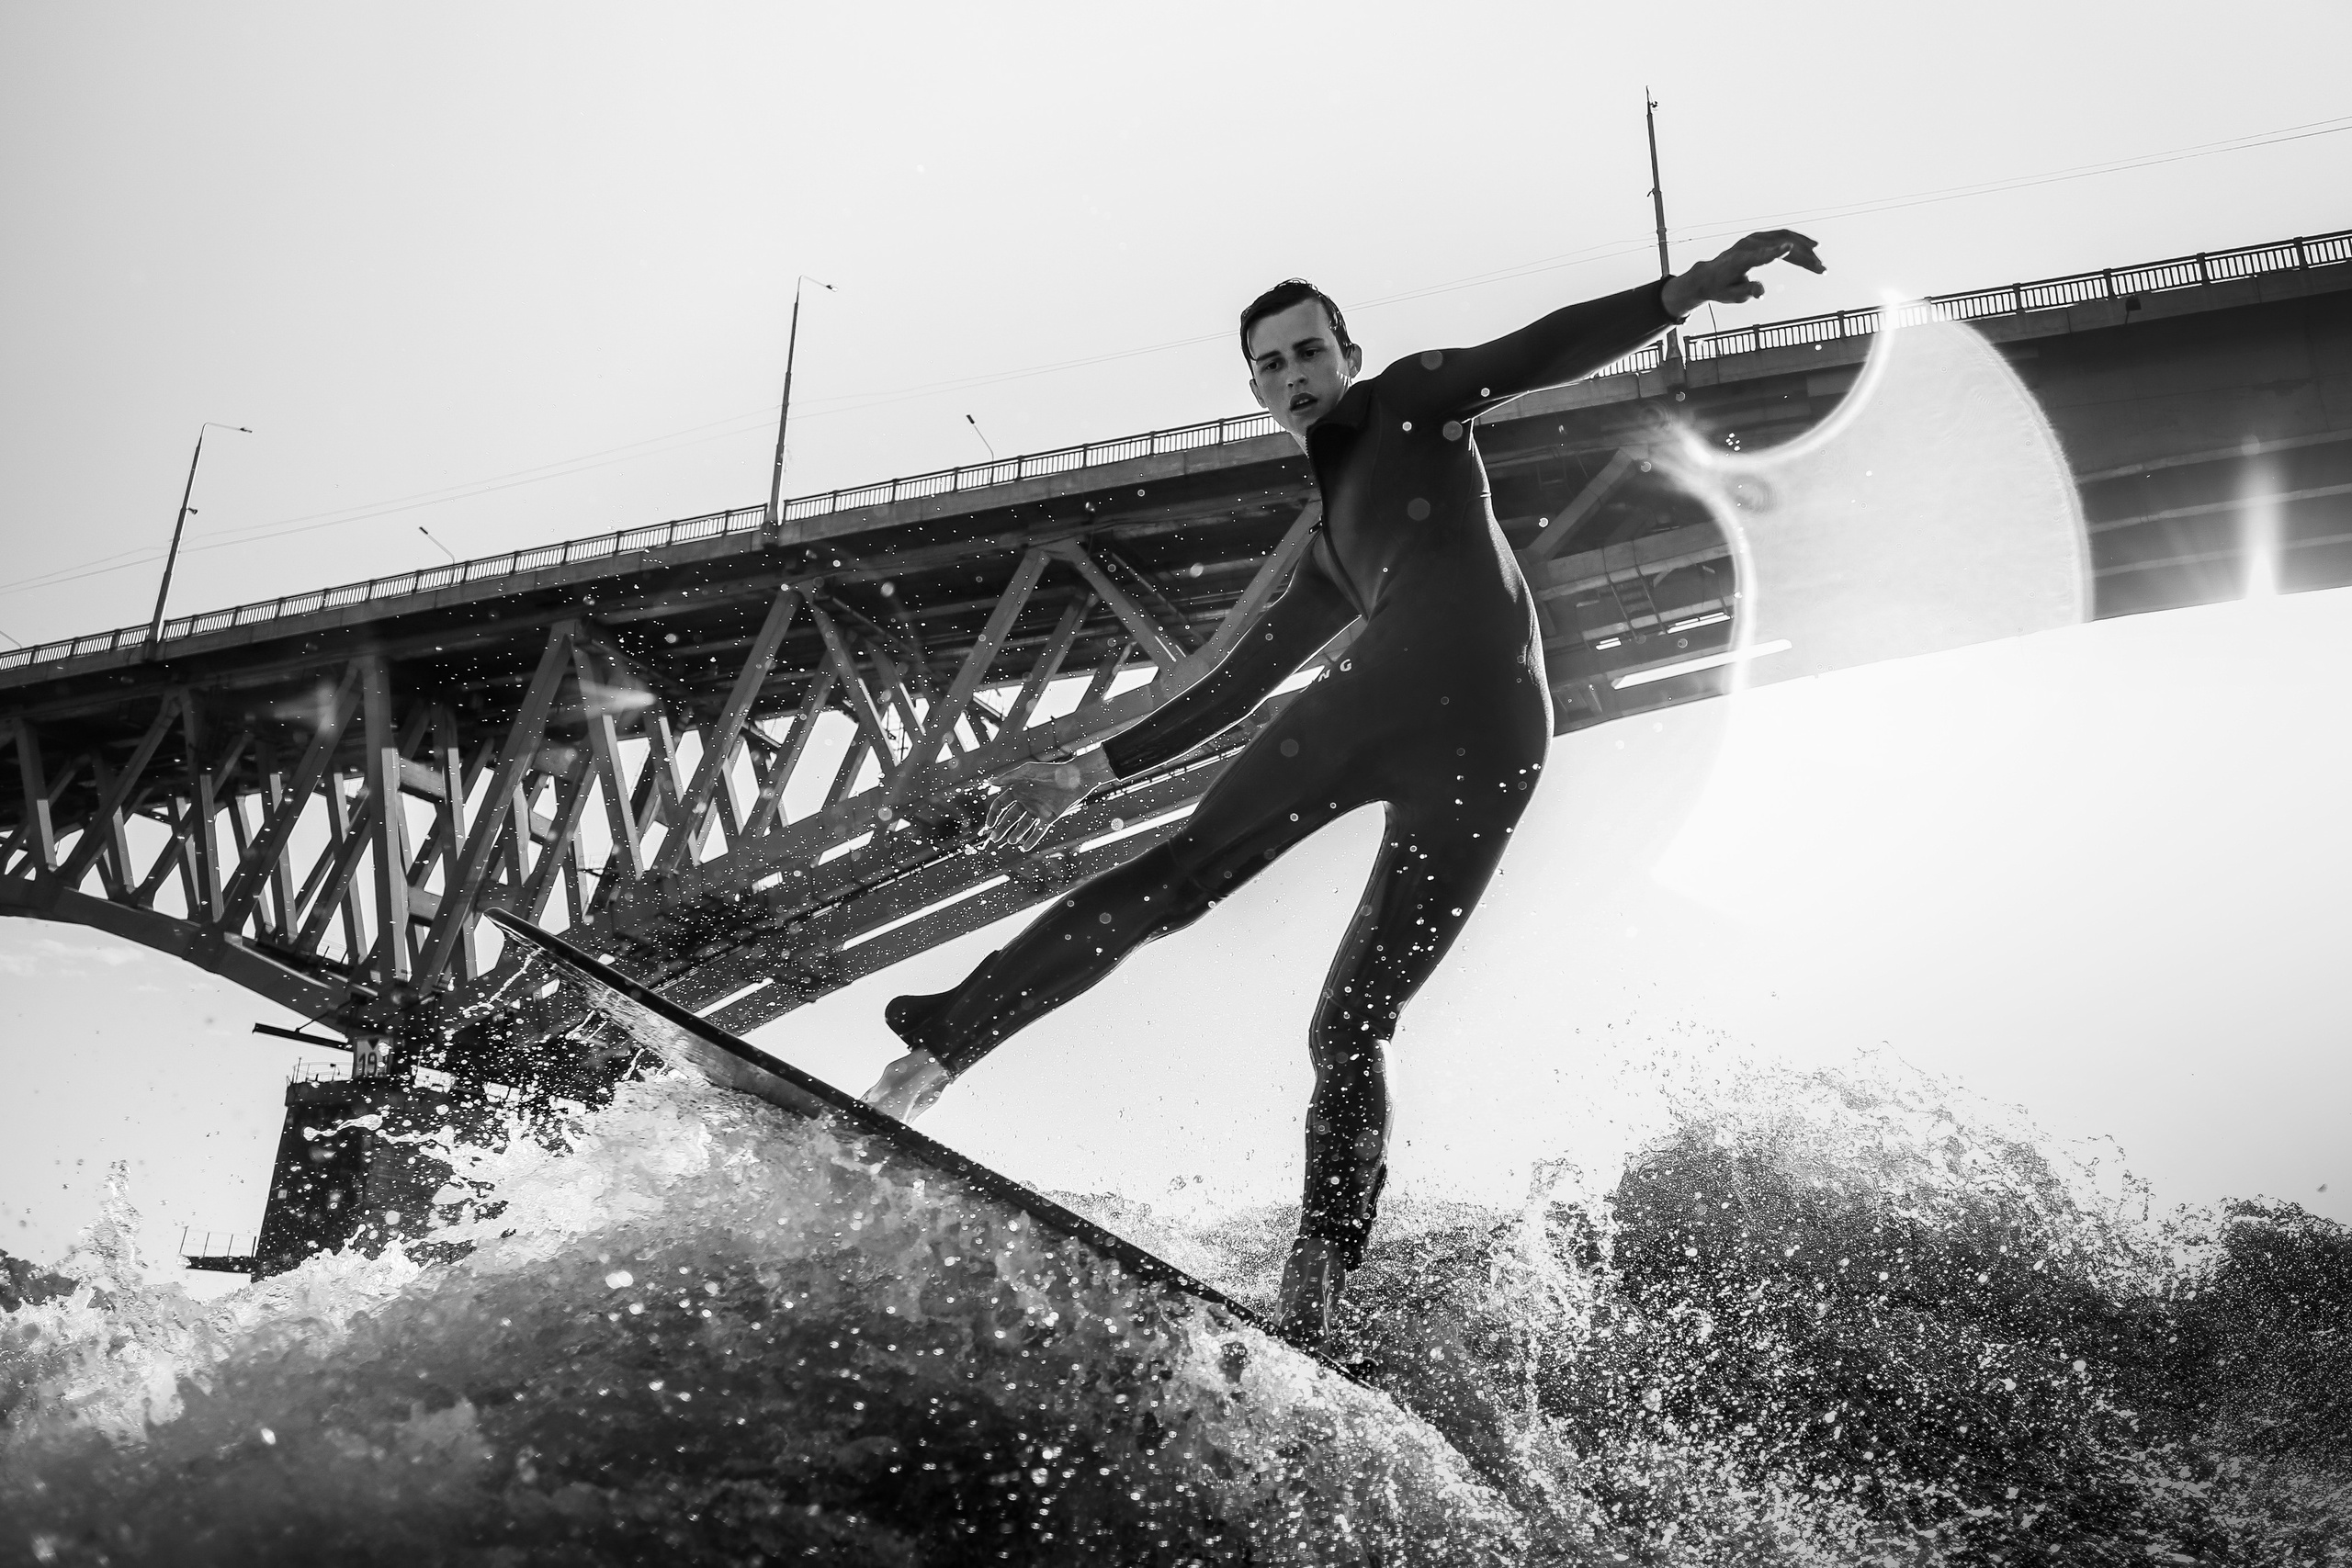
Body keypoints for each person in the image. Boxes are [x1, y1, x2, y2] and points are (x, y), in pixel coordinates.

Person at [866, 231, 1825, 1346]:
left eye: (1308, 351)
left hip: (1440, 713)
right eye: (1269, 365)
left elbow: (1531, 350)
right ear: (1258, 392)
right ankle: (1307, 1279)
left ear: (1348, 353)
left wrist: (1675, 296)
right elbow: (1230, 687)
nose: (1292, 376)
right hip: (1497, 738)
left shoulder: (1412, 403)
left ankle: (946, 1057)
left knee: (1253, 935)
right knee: (1344, 1018)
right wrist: (1087, 769)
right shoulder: (1328, 552)